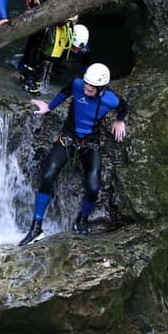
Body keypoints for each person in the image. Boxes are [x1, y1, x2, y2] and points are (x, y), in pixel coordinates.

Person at [18, 63, 128, 246]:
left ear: (101, 88)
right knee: (47, 175)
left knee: (93, 186)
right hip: (67, 138)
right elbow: (64, 92)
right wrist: (49, 107)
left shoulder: (110, 99)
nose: (86, 88)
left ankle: (82, 220)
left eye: (91, 87)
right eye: (86, 84)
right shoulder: (77, 85)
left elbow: (123, 107)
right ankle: (36, 228)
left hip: (89, 143)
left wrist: (119, 121)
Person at [19, 18, 92, 94]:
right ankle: (26, 74)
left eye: (78, 49)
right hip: (41, 51)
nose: (76, 51)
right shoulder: (56, 39)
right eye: (74, 48)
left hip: (59, 56)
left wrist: (87, 81)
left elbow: (86, 64)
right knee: (37, 55)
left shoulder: (83, 46)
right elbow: (33, 51)